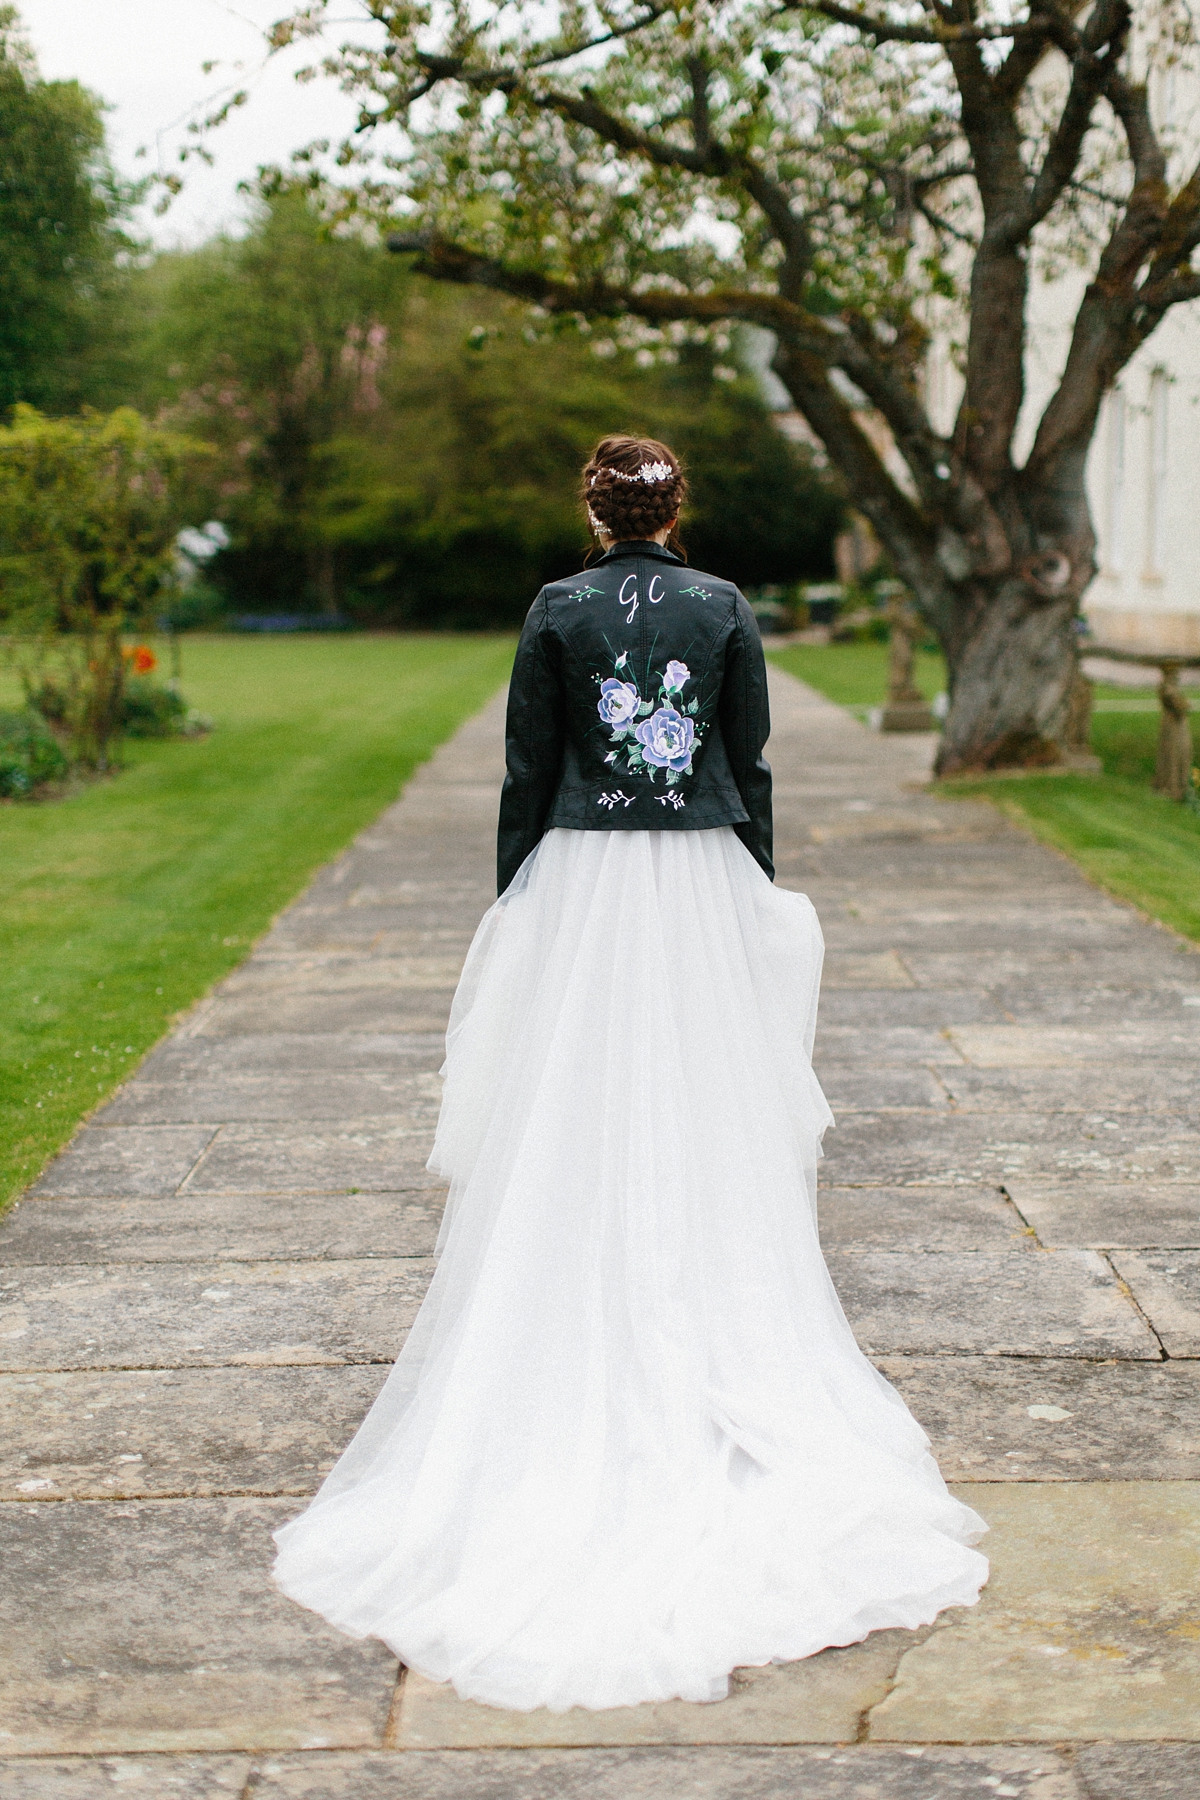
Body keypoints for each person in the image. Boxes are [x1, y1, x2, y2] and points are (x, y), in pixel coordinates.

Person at [272, 433, 987, 1713]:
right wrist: (752, 892)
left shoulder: (557, 609)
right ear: (679, 510)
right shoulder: (723, 607)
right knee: (709, 1110)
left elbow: (527, 770)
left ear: (592, 512)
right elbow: (748, 760)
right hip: (699, 873)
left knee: (576, 1106)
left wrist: (519, 906)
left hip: (588, 878)